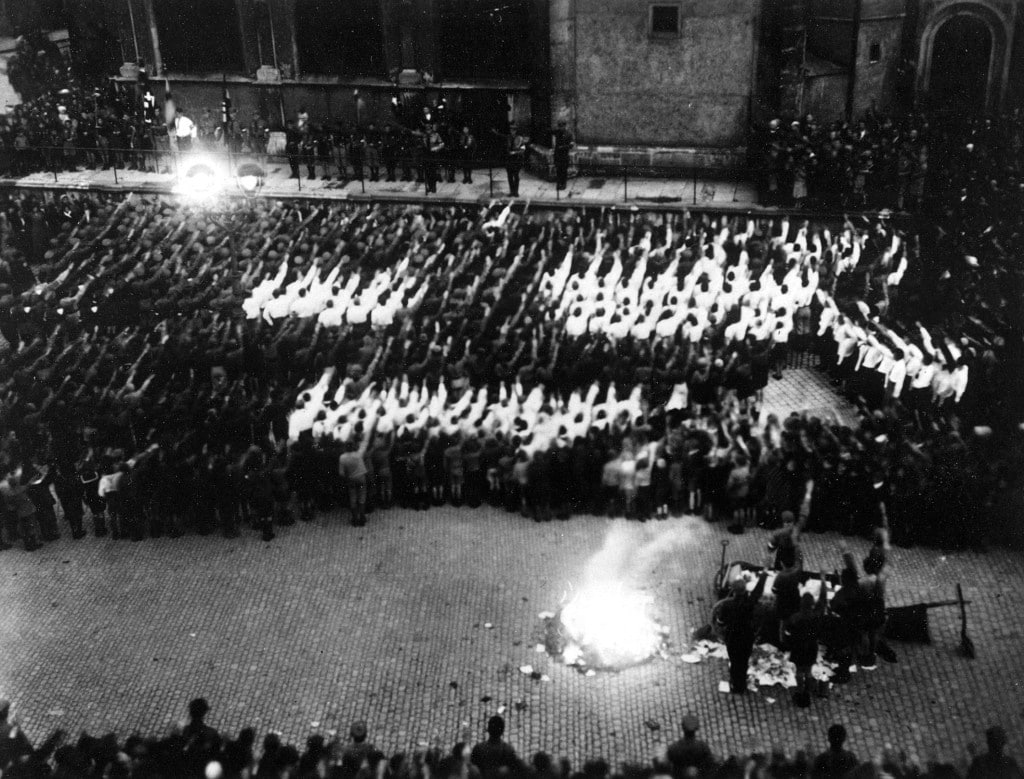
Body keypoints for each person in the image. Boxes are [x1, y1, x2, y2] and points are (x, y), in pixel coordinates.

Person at [713, 571, 768, 694]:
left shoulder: (727, 606)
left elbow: (720, 622)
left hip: (732, 638)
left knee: (734, 662)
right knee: (743, 662)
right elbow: (758, 591)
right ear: (745, 590)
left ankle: (736, 685)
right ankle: (742, 682)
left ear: (733, 590)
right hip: (747, 637)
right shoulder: (749, 603)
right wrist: (763, 575)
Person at [663, 714, 714, 778]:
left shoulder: (673, 748)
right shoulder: (703, 747)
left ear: (682, 727)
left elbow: (667, 767)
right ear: (697, 728)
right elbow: (709, 767)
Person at [504, 122, 528, 198]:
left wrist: (514, 152)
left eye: (514, 130)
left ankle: (516, 192)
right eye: (511, 130)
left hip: (517, 159)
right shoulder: (508, 137)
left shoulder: (520, 139)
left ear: (516, 131)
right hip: (509, 159)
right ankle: (511, 191)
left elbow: (523, 149)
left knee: (516, 176)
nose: (512, 131)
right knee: (510, 176)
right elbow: (506, 147)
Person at [552, 119, 574, 191]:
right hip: (557, 154)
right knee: (558, 170)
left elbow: (571, 145)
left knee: (564, 170)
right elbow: (550, 131)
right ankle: (558, 184)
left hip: (564, 155)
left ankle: (563, 184)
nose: (560, 128)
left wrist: (563, 147)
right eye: (559, 126)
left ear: (565, 126)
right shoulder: (557, 132)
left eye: (562, 126)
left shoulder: (569, 134)